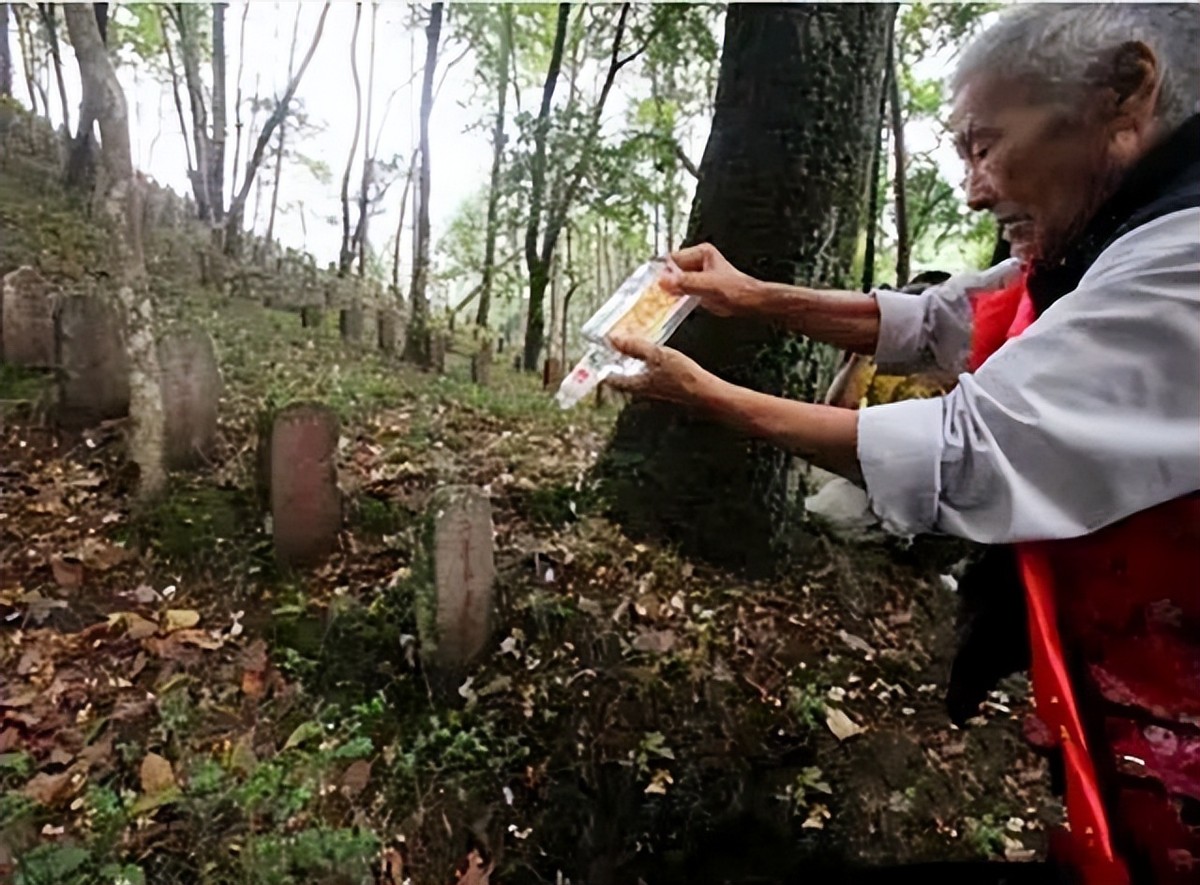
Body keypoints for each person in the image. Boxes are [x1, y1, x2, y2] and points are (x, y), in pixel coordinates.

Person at [605, 5, 1200, 884]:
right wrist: (748, 295)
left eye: (986, 146)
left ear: (1126, 96)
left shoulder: (1180, 262)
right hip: (1118, 742)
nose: (973, 188)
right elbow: (951, 318)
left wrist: (708, 396)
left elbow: (964, 449)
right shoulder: (1119, 231)